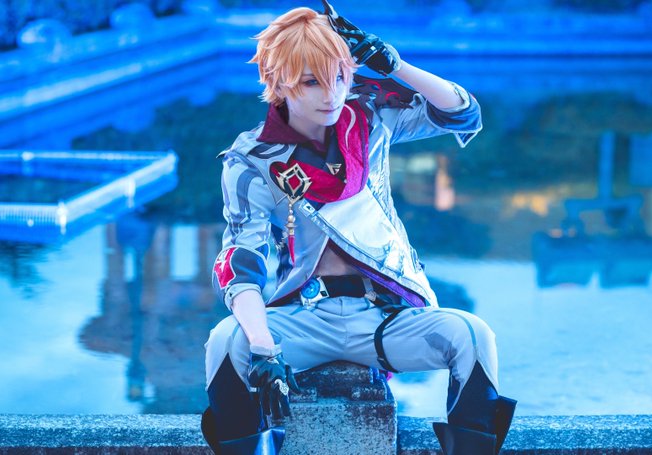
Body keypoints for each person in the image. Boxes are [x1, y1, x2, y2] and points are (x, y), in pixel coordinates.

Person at [201, 2, 516, 454]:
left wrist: (395, 65)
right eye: (311, 81)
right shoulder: (252, 157)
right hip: (304, 319)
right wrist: (263, 344)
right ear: (278, 81)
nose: (330, 94)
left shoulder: (371, 119)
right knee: (224, 341)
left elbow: (462, 112)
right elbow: (241, 261)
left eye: (340, 77)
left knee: (472, 335)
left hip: (384, 316)